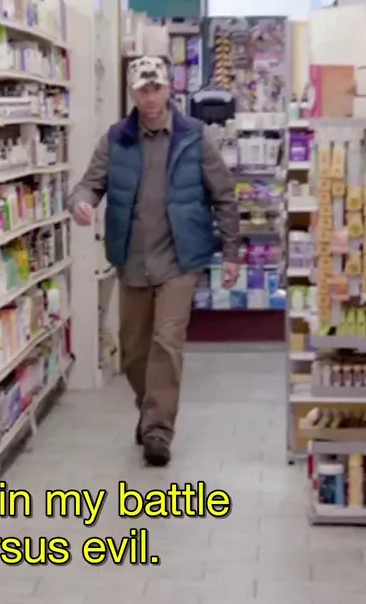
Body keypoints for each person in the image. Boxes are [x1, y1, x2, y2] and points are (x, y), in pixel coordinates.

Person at [69, 55, 241, 467]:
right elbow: (88, 184)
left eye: (156, 89)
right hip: (132, 260)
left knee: (166, 342)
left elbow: (224, 196)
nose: (149, 98)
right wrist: (80, 203)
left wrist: (232, 253)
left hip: (180, 260)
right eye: (142, 90)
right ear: (132, 93)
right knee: (133, 351)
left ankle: (159, 431)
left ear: (169, 89)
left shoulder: (195, 137)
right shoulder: (117, 139)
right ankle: (150, 410)